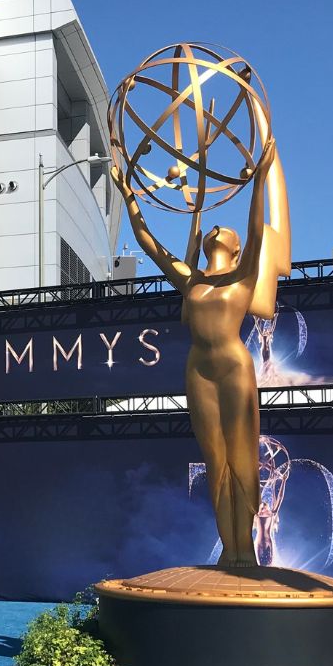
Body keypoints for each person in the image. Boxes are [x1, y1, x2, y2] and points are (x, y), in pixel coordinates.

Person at [111, 127, 288, 566]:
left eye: (227, 230)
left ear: (237, 248)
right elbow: (149, 242)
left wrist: (260, 180)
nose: (218, 228)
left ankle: (246, 551)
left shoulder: (244, 274)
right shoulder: (190, 280)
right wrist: (128, 194)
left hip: (233, 366)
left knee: (242, 458)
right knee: (216, 462)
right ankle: (229, 549)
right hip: (198, 370)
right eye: (213, 228)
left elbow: (257, 229)